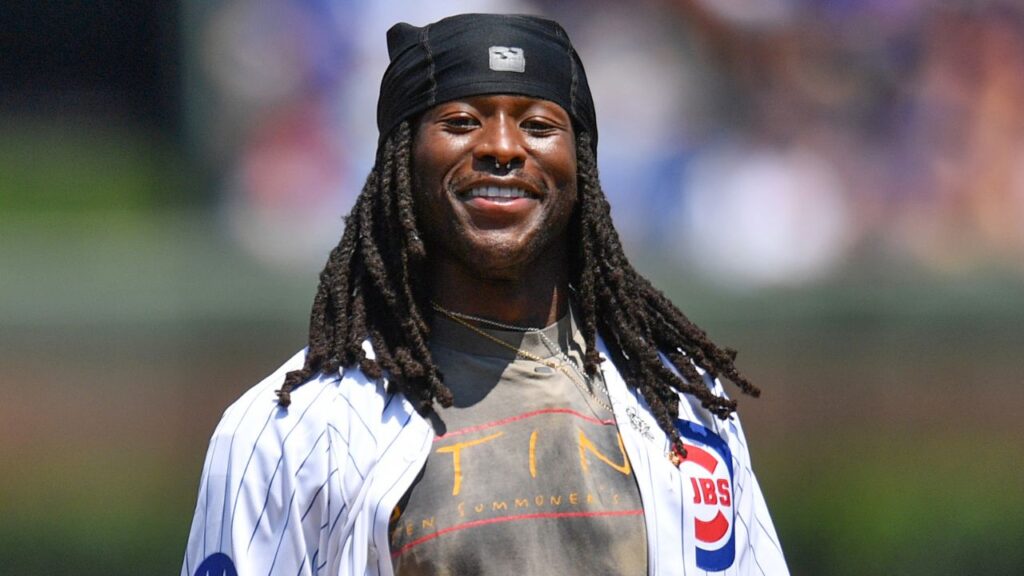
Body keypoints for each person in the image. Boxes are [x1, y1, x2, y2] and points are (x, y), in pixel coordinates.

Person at [182, 13, 788, 576]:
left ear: (581, 166)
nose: (502, 147)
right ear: (402, 159)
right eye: (462, 122)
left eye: (539, 125)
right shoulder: (288, 428)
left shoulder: (683, 403)